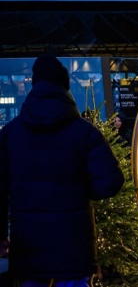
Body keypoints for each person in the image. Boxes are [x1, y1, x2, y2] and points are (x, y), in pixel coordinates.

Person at [0, 55, 125, 287]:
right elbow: (112, 181)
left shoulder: (10, 134)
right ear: (65, 86)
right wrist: (80, 191)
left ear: (33, 85)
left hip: (28, 246)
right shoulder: (85, 132)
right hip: (74, 246)